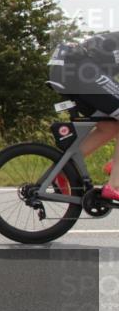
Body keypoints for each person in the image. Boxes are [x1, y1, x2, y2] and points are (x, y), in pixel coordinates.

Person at [47, 31, 119, 201]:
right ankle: (114, 184)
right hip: (80, 70)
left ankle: (62, 171)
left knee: (110, 127)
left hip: (70, 71)